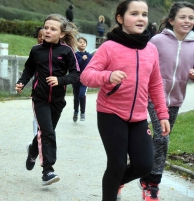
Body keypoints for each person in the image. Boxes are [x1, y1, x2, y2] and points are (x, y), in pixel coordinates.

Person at [80, 0, 170, 200]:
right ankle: (111, 190)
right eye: (134, 13)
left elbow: (155, 84)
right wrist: (108, 76)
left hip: (138, 116)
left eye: (144, 14)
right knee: (117, 164)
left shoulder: (151, 50)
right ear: (120, 18)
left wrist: (162, 114)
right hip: (111, 113)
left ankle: (116, 180)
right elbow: (86, 76)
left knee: (145, 164)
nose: (141, 18)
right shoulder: (109, 47)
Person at [15, 13, 80, 186]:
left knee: (45, 133)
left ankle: (32, 150)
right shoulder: (36, 50)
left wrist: (60, 80)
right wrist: (22, 82)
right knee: (48, 133)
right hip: (40, 98)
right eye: (46, 27)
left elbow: (75, 74)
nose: (47, 31)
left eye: (53, 29)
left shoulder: (67, 52)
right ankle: (48, 171)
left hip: (58, 101)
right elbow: (29, 69)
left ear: (61, 34)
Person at [139, 2, 194, 201]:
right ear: (171, 20)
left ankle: (137, 173)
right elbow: (144, 63)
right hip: (154, 97)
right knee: (162, 138)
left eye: (191, 18)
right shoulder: (158, 41)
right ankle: (152, 182)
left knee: (159, 140)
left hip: (176, 100)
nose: (187, 21)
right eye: (183, 17)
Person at [72, 37, 92, 122]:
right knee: (76, 97)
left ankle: (82, 112)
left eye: (84, 42)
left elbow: (92, 66)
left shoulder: (89, 56)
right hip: (76, 78)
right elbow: (74, 66)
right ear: (77, 44)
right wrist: (81, 59)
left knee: (81, 94)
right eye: (80, 42)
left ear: (86, 44)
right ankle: (76, 111)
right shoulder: (75, 55)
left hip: (85, 78)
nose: (82, 43)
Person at [32, 27, 44, 136]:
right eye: (39, 36)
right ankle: (36, 137)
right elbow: (29, 69)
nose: (41, 38)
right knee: (36, 117)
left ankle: (35, 145)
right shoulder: (35, 50)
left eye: (44, 36)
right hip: (38, 90)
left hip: (52, 92)